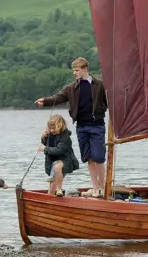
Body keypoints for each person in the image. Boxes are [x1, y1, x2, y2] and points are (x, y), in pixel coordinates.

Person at [34, 57, 108, 198]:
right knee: (89, 158)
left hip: (97, 126)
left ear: (85, 69)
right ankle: (94, 187)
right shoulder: (72, 88)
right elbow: (58, 97)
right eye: (73, 70)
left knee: (98, 158)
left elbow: (109, 101)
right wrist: (45, 101)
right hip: (81, 127)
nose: (74, 73)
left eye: (76, 70)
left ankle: (101, 187)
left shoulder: (99, 85)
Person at [38, 114, 79, 197]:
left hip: (65, 160)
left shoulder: (65, 136)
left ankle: (59, 189)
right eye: (50, 128)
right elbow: (46, 145)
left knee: (57, 169)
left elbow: (59, 150)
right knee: (51, 188)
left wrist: (45, 149)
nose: (52, 130)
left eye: (54, 128)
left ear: (60, 126)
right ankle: (51, 200)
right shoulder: (49, 134)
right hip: (52, 162)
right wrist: (43, 137)